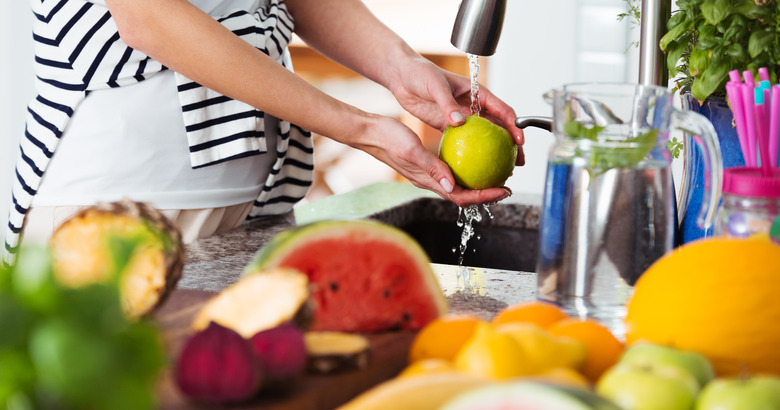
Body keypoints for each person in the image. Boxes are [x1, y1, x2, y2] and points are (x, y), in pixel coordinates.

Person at [3, 0, 525, 266]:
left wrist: (401, 66)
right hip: (116, 216)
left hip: (259, 210)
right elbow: (147, 15)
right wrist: (360, 128)